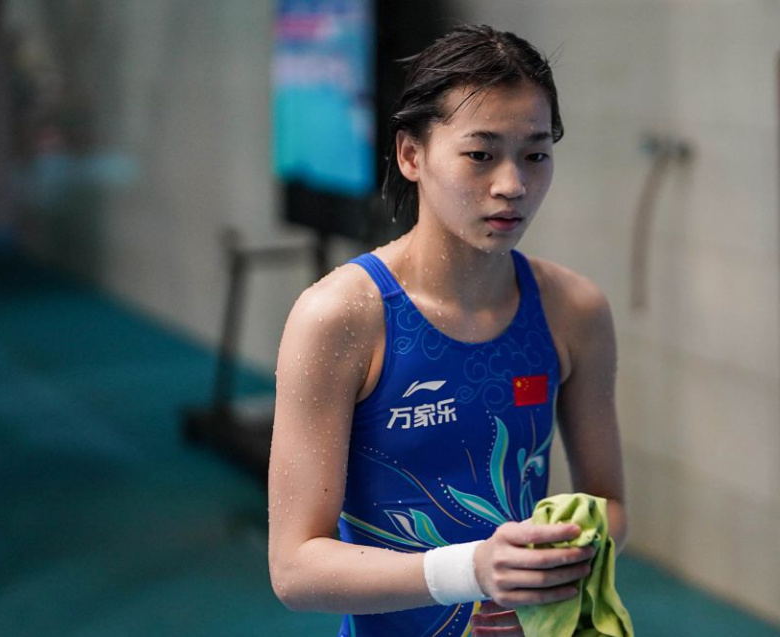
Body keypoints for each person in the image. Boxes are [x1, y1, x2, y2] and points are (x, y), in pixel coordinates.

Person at [267, 23, 627, 637]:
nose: (512, 185)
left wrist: (546, 575)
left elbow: (609, 507)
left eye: (535, 154)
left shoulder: (573, 310)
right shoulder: (342, 317)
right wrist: (474, 572)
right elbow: (295, 568)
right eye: (481, 154)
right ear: (412, 155)